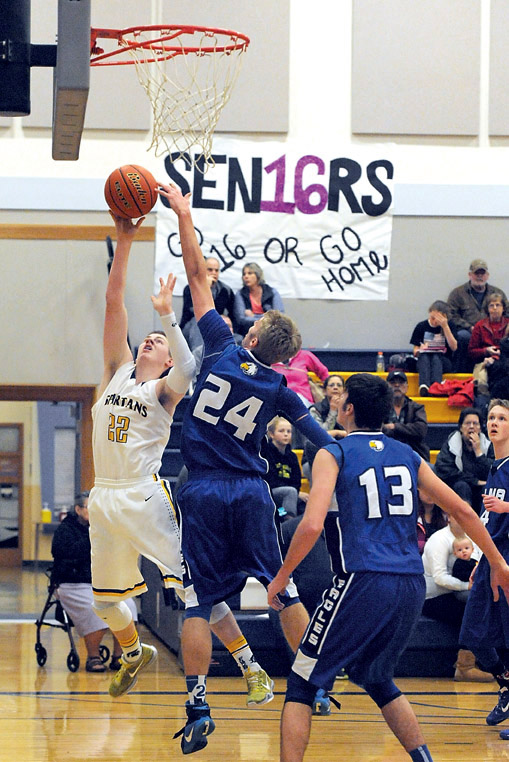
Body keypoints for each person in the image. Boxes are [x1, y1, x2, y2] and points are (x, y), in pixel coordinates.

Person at [158, 181, 334, 755]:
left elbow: (198, 276)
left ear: (254, 332)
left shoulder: (220, 343)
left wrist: (184, 212)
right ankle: (315, 681)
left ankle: (199, 700)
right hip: (254, 493)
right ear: (284, 357)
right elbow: (320, 442)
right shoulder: (283, 389)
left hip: (203, 489)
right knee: (280, 590)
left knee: (199, 601)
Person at [267, 372, 509, 762]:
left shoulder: (334, 453)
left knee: (300, 683)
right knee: (378, 679)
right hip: (411, 583)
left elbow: (311, 524)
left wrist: (280, 578)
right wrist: (497, 562)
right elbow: (462, 508)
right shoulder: (409, 455)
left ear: (347, 409)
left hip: (363, 578)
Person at [88, 212, 273, 705]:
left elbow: (190, 363)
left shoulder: (168, 388)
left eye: (157, 341)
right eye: (143, 337)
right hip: (103, 498)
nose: (147, 339)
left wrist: (169, 317)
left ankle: (249, 665)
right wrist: (126, 240)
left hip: (145, 495)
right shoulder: (115, 371)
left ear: (168, 358)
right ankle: (132, 650)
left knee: (197, 591)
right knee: (105, 604)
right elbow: (112, 305)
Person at [459, 398, 509, 738]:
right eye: (491, 417)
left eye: (502, 418)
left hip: (507, 560)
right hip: (491, 557)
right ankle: (506, 684)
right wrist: (481, 559)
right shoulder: (494, 467)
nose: (493, 422)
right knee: (473, 635)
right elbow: (488, 522)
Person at [51, 491, 137, 673]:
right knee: (94, 609)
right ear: (78, 509)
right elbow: (64, 556)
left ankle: (119, 656)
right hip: (72, 584)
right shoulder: (65, 530)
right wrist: (93, 538)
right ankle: (93, 656)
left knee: (128, 606)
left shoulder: (105, 530)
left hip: (102, 583)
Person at [421, 516, 491, 682]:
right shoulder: (439, 539)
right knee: (470, 613)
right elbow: (439, 578)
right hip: (431, 597)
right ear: (449, 518)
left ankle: (490, 662)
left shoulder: (471, 536)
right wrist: (467, 586)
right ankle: (464, 667)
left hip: (453, 591)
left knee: (485, 606)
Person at [447, 258, 508, 372]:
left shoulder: (498, 293)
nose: (480, 276)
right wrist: (469, 327)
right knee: (463, 336)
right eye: (476, 273)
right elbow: (450, 315)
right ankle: (461, 373)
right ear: (470, 275)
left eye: (482, 273)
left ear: (487, 275)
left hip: (493, 331)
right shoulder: (457, 293)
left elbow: (507, 313)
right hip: (468, 331)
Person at [434, 407, 494, 515]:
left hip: (480, 491)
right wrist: (474, 481)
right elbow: (445, 471)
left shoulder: (487, 445)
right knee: (462, 486)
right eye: (467, 423)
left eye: (475, 423)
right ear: (461, 427)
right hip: (458, 490)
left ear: (480, 428)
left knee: (487, 489)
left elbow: (493, 472)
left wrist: (479, 452)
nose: (471, 427)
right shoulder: (451, 445)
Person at [180, 256, 236, 350]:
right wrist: (206, 288)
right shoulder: (191, 288)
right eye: (210, 270)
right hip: (192, 325)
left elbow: (233, 316)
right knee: (199, 321)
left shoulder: (225, 290)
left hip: (215, 324)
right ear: (203, 270)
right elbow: (195, 311)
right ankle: (199, 355)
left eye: (216, 270)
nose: (214, 273)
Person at [261, 417, 308, 518]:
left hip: (289, 494)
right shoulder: (266, 452)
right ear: (271, 434)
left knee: (306, 500)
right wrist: (293, 491)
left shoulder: (292, 456)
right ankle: (288, 521)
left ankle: (300, 523)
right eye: (281, 431)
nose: (286, 434)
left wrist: (296, 492)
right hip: (270, 492)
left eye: (289, 431)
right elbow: (269, 479)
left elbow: (296, 480)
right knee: (290, 493)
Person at [409, 300, 458, 396]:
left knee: (436, 356)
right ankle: (424, 386)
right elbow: (415, 350)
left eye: (438, 319)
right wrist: (420, 350)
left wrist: (445, 326)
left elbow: (454, 347)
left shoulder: (450, 326)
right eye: (432, 318)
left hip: (443, 360)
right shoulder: (421, 326)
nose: (434, 322)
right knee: (425, 356)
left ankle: (436, 386)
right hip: (424, 360)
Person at [467, 291, 509, 396]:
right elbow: (471, 351)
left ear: (503, 308)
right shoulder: (480, 325)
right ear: (487, 309)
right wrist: (486, 351)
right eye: (491, 305)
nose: (495, 308)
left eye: (498, 305)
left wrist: (498, 355)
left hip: (505, 360)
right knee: (481, 380)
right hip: (484, 361)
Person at [382, 370, 430, 460]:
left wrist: (394, 427)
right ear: (386, 387)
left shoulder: (417, 408)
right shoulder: (380, 407)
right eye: (393, 383)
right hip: (385, 453)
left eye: (401, 382)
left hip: (414, 454)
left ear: (407, 387)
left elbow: (421, 430)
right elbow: (377, 429)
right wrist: (407, 431)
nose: (397, 385)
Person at [233, 262, 285, 336]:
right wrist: (267, 317)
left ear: (258, 275)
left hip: (270, 332)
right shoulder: (240, 294)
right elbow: (241, 319)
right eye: (244, 274)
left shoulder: (272, 292)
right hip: (248, 333)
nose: (246, 276)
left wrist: (254, 316)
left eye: (250, 273)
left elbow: (279, 316)